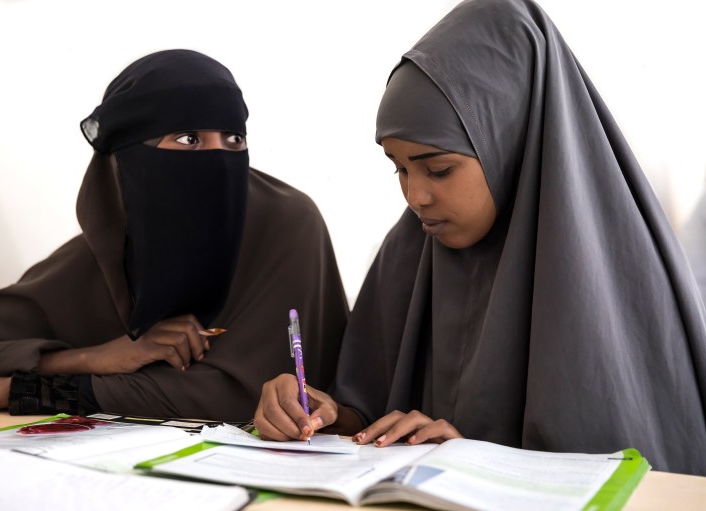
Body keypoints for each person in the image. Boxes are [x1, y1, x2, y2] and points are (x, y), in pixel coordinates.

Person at [253, 0, 706, 475]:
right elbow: (365, 417)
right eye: (399, 168)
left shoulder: (610, 273)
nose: (415, 196)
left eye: (439, 169)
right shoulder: (407, 253)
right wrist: (319, 416)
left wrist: (478, 459)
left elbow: (643, 474)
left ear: (509, 142)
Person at [0, 49, 348, 421]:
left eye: (233, 138)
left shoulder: (288, 223)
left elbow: (237, 397)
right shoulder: (109, 250)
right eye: (188, 139)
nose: (218, 159)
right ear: (129, 161)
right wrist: (96, 358)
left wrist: (11, 392)